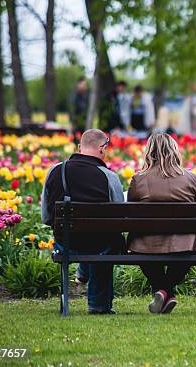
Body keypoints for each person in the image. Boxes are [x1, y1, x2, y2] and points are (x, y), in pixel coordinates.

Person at [41, 129, 124, 314]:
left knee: (92, 237)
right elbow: (120, 220)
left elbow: (46, 217)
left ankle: (82, 274)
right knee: (106, 240)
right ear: (103, 149)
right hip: (99, 244)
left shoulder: (55, 171)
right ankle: (98, 304)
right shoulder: (109, 177)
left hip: (66, 243)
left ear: (79, 148)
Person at [127, 130, 196, 314]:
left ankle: (161, 290)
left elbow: (129, 214)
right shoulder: (193, 178)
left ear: (149, 152)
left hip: (146, 243)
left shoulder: (138, 179)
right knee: (186, 251)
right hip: (184, 243)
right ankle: (167, 290)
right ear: (175, 151)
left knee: (143, 248)